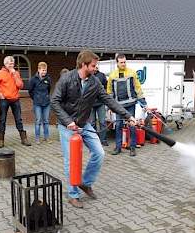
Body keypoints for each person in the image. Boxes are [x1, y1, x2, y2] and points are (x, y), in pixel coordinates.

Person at [51, 50, 134, 208]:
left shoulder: (95, 82)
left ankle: (85, 183)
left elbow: (109, 100)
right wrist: (68, 121)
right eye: (93, 66)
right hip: (67, 126)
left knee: (99, 153)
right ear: (84, 65)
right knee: (71, 161)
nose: (96, 68)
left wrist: (128, 116)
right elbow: (54, 102)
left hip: (84, 124)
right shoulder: (66, 79)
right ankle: (73, 195)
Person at [107, 53, 147, 156]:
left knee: (132, 126)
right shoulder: (112, 75)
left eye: (125, 62)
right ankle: (118, 147)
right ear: (117, 63)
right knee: (119, 126)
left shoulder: (132, 73)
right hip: (118, 106)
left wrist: (143, 103)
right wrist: (110, 106)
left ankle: (132, 147)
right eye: (121, 62)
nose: (123, 64)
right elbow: (109, 92)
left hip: (130, 104)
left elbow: (137, 88)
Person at [0, 56, 31, 148]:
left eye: (12, 63)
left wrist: (15, 75)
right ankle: (1, 140)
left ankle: (23, 138)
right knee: (2, 119)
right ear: (5, 64)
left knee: (19, 119)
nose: (11, 65)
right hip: (4, 100)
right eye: (9, 63)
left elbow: (20, 85)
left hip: (15, 99)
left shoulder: (16, 73)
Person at [28, 62, 52, 144]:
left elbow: (49, 89)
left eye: (45, 70)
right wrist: (35, 98)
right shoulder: (33, 79)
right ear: (39, 70)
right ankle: (37, 138)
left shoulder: (48, 79)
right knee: (38, 121)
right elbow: (30, 91)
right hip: (37, 103)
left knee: (46, 121)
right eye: (43, 70)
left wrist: (46, 97)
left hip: (46, 103)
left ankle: (46, 137)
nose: (44, 72)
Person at [90, 65, 108, 146]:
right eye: (94, 66)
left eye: (97, 66)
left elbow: (106, 87)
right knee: (92, 123)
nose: (95, 67)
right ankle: (94, 140)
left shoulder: (102, 75)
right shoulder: (88, 75)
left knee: (102, 122)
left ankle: (103, 140)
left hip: (101, 103)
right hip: (90, 103)